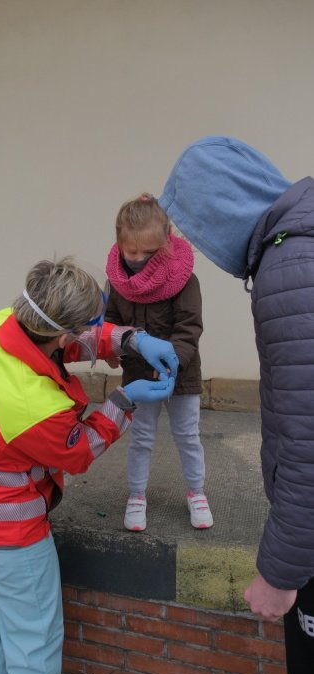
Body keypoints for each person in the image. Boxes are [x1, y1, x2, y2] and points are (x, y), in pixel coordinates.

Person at [0, 256, 177, 674]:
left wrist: (130, 340)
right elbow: (78, 450)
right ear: (62, 329)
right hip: (8, 536)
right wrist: (125, 399)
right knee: (34, 647)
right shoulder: (31, 406)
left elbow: (64, 343)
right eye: (94, 321)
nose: (96, 327)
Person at [157, 135, 314, 674]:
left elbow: (308, 436)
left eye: (195, 224)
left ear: (221, 208)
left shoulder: (292, 263)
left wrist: (279, 572)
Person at [104, 193, 213, 532]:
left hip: (182, 374)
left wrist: (172, 360)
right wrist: (112, 350)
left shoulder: (184, 280)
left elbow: (189, 327)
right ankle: (137, 496)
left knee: (187, 435)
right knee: (141, 439)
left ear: (165, 245)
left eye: (148, 253)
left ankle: (197, 492)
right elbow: (109, 324)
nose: (137, 259)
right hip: (138, 374)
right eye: (130, 251)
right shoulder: (117, 284)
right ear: (120, 244)